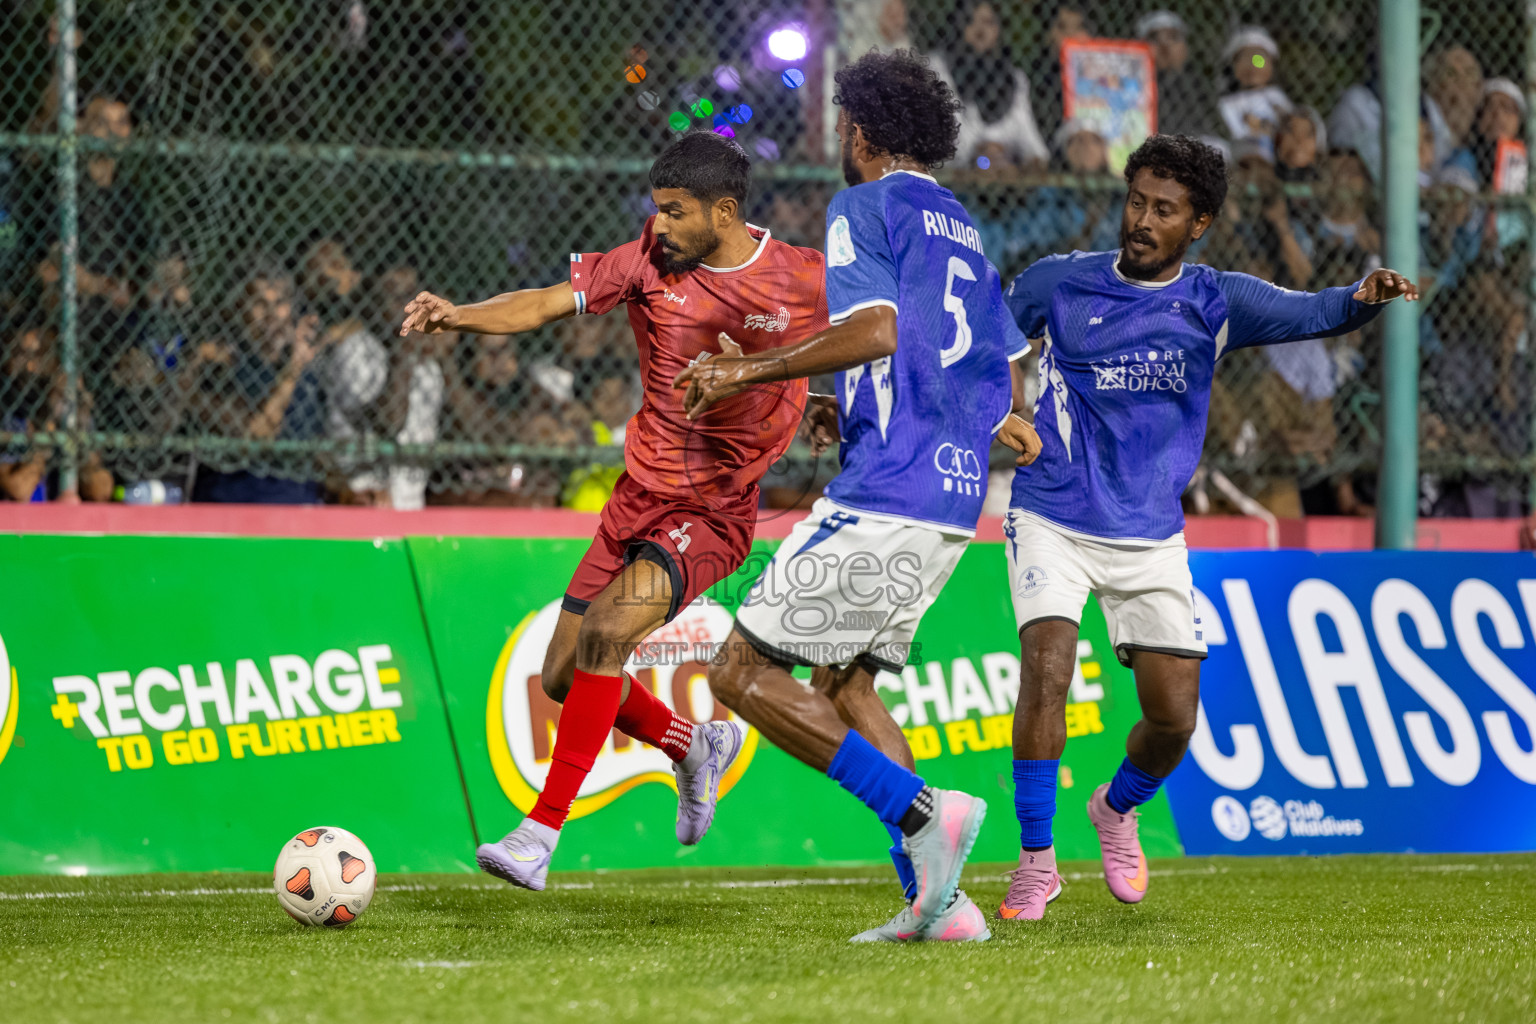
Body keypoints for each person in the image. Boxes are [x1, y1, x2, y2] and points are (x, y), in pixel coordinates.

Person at [994, 134, 1417, 920]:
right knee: (1045, 672)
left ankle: (1115, 811)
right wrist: (1004, 408)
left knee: (1172, 718)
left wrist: (1364, 294)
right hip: (1051, 509)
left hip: (1149, 530)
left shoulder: (1216, 299)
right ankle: (1035, 862)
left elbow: (1310, 311)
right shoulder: (1061, 283)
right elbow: (982, 339)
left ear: (1200, 223)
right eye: (1136, 201)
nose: (1142, 220)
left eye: (1164, 209)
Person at [398, 129, 831, 891]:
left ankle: (539, 834)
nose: (658, 225)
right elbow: (541, 303)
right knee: (563, 676)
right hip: (635, 499)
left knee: (606, 634)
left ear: (723, 212)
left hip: (714, 512)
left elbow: (866, 339)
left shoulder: (799, 276)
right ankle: (692, 745)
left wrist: (817, 397)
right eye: (656, 209)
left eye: (674, 212)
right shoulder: (644, 260)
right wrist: (456, 314)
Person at [677, 49, 1042, 944]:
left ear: (864, 132)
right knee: (846, 688)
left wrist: (748, 368)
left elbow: (875, 328)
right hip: (952, 506)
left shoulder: (864, 205)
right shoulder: (960, 225)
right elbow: (1003, 388)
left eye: (844, 123)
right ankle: (940, 907)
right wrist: (869, 409)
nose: (842, 138)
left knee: (739, 674)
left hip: (885, 496)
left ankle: (923, 815)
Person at [931, 0, 1049, 172]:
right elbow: (945, 142)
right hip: (957, 178)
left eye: (988, 22)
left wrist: (1026, 164)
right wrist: (982, 158)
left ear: (998, 30)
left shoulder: (1014, 78)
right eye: (970, 21)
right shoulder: (937, 68)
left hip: (1007, 174)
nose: (980, 30)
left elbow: (1032, 145)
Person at [1135, 11, 1220, 140]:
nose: (1165, 44)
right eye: (1154, 38)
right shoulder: (1133, 86)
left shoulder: (1200, 85)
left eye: (1173, 37)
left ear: (1185, 49)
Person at [1216, 26, 1291, 161]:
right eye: (1243, 60)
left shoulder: (1276, 95)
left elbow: (1288, 122)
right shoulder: (1229, 102)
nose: (1252, 66)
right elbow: (1237, 132)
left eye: (1259, 60)